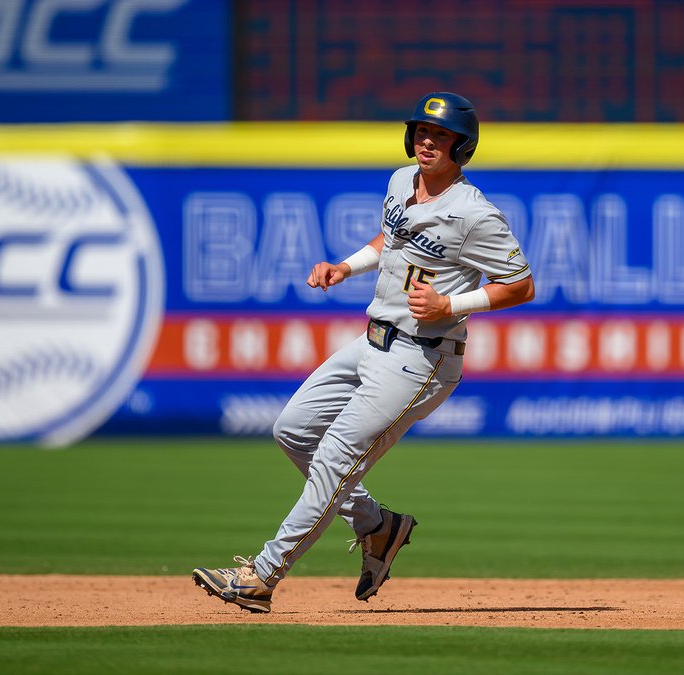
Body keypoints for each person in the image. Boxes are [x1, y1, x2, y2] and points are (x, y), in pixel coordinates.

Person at [192, 92, 535, 613]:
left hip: (423, 358)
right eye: (421, 130)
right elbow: (390, 238)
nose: (426, 140)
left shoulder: (474, 213)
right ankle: (377, 526)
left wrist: (451, 301)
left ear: (461, 146)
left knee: (334, 458)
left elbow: (521, 284)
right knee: (292, 430)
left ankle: (261, 577)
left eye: (439, 134)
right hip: (372, 339)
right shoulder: (402, 181)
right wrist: (345, 267)